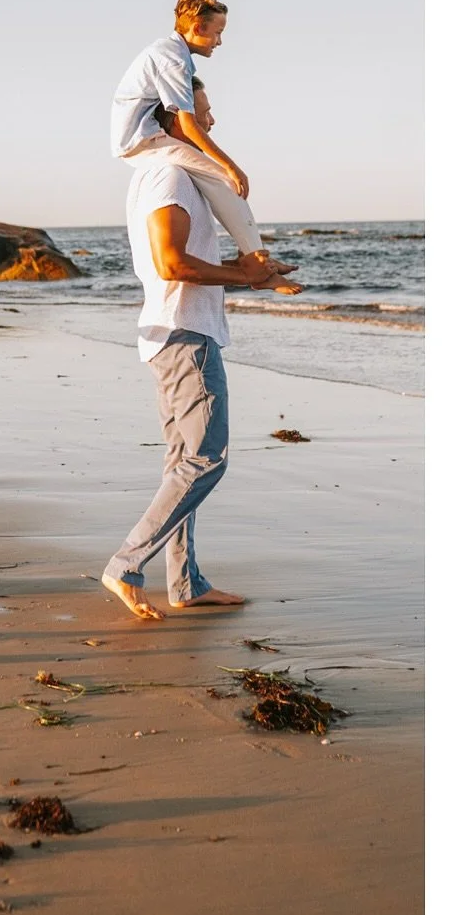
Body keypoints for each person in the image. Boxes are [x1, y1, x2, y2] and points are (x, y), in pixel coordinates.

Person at [102, 95, 303, 620]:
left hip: (173, 334)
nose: (211, 120)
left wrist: (258, 273)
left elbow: (182, 261)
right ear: (175, 121)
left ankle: (185, 581)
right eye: (202, 111)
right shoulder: (169, 176)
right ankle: (126, 564)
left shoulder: (169, 176)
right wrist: (246, 277)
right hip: (183, 335)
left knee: (181, 462)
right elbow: (172, 262)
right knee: (206, 457)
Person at [110, 0, 296, 293]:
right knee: (224, 179)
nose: (220, 42)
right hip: (144, 141)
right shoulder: (173, 60)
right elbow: (188, 124)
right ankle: (260, 268)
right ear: (197, 27)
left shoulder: (171, 53)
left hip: (138, 141)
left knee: (219, 182)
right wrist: (231, 166)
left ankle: (258, 260)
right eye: (218, 33)